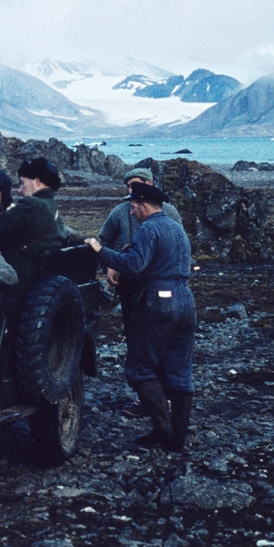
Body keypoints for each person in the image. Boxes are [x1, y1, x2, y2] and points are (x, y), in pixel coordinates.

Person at [85, 181, 195, 452]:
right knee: (179, 371)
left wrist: (101, 252)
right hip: (186, 300)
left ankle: (163, 428)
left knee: (139, 367)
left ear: (145, 206)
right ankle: (177, 438)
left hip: (158, 301)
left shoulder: (150, 228)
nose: (131, 213)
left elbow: (135, 266)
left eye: (134, 207)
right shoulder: (176, 228)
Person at [98, 168, 184, 419]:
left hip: (159, 288)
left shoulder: (168, 214)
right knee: (136, 339)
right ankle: (145, 397)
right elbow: (104, 239)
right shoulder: (120, 212)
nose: (130, 193)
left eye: (134, 187)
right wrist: (110, 265)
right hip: (129, 286)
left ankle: (164, 398)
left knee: (161, 341)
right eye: (127, 187)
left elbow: (178, 247)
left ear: (149, 185)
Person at [0, 157, 82, 289]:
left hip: (21, 281)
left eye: (23, 183)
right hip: (39, 279)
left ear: (36, 181)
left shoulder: (32, 204)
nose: (19, 190)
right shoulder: (50, 205)